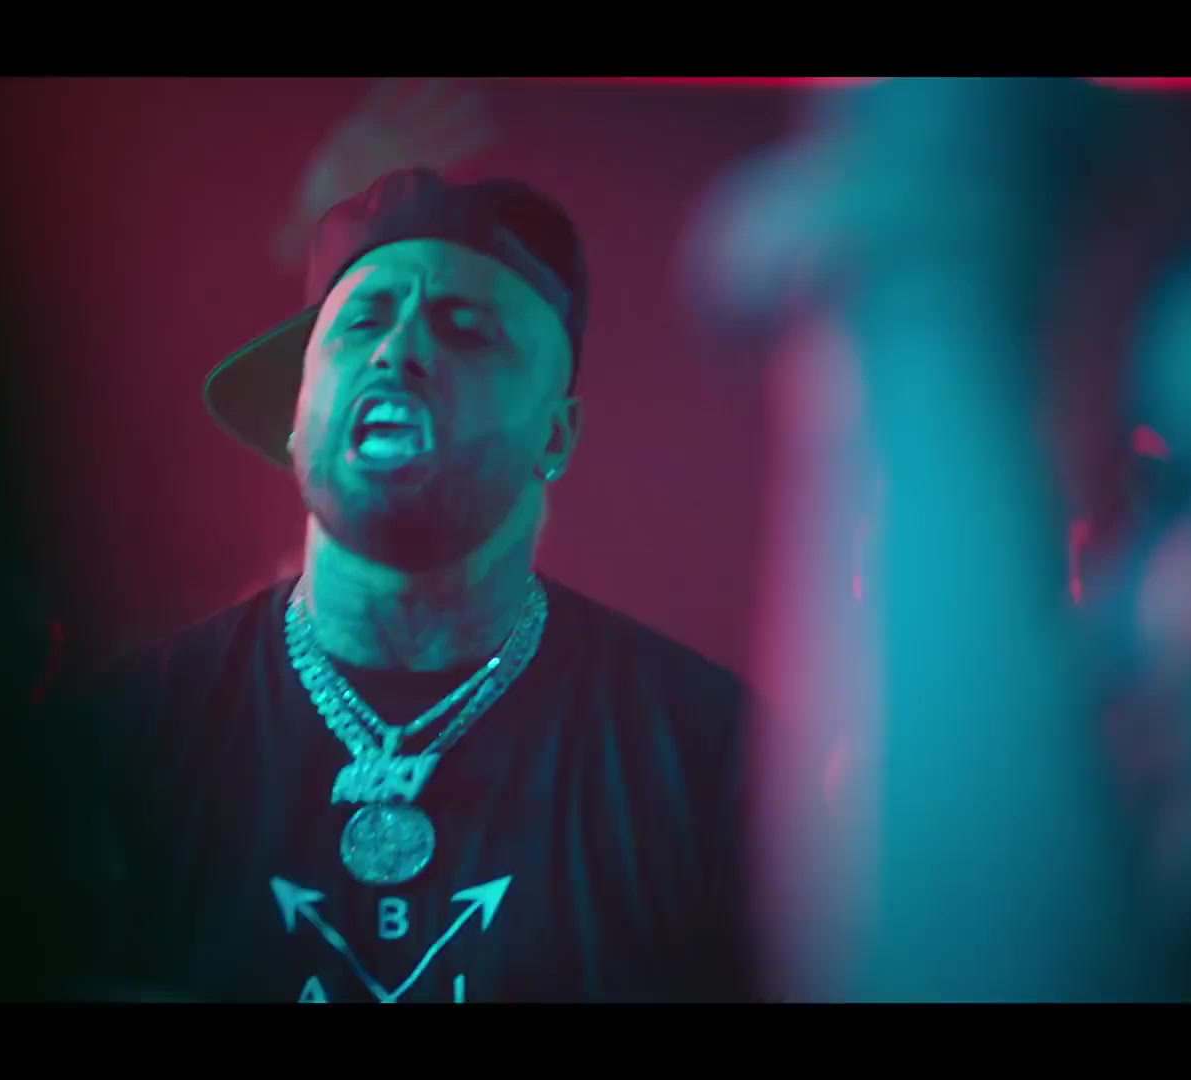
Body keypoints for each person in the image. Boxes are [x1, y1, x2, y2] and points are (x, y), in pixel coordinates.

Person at [50, 162, 765, 1003]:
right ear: (297, 412)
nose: (400, 350)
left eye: (468, 329)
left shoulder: (717, 764)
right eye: (362, 322)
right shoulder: (116, 748)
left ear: (556, 435)